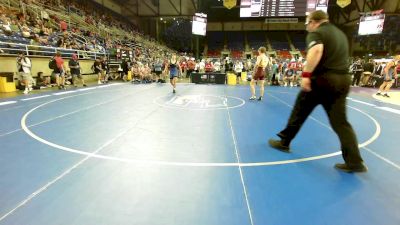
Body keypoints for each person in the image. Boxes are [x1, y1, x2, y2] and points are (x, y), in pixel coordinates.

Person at [268, 10, 367, 173]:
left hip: (322, 80)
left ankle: (284, 142)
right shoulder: (340, 34)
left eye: (307, 23)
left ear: (314, 21)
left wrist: (306, 74)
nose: (307, 27)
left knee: (299, 111)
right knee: (341, 123)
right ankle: (355, 161)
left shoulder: (317, 33)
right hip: (343, 80)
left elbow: (316, 51)